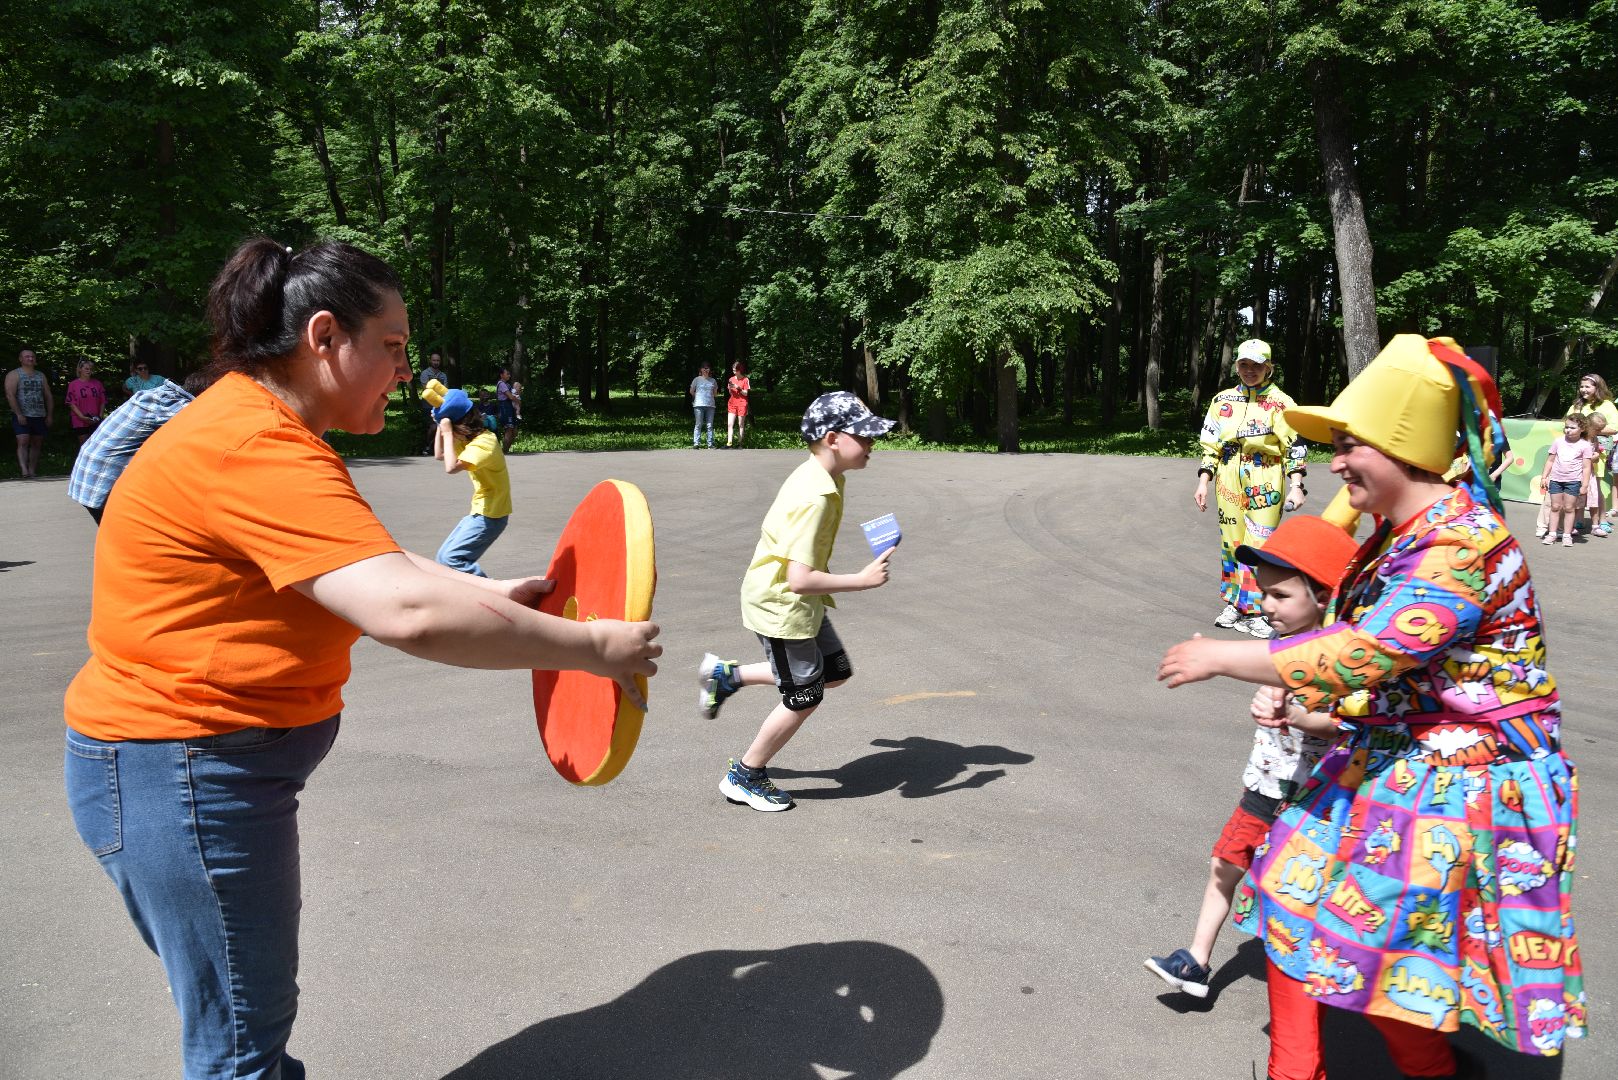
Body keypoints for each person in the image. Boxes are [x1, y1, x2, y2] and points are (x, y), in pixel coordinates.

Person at [62, 236, 660, 1080]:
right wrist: (594, 645)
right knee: (241, 1051)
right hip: (183, 772)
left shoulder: (257, 423)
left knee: (246, 1034)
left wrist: (494, 600)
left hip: (191, 771)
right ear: (322, 338)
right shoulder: (254, 447)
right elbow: (407, 612)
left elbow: (385, 567)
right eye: (392, 344)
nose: (406, 368)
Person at [1159, 336, 1583, 1079]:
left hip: (1463, 777)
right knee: (1290, 894)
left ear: (1402, 446)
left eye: (1351, 444)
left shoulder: (1461, 543)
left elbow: (1372, 651)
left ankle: (1427, 1068)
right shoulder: (1402, 532)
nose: (1334, 460)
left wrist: (1224, 657)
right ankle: (1301, 1070)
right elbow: (1376, 661)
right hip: (1397, 758)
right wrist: (1309, 699)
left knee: (1388, 955)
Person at [1145, 515, 1357, 999]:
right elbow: (1252, 667)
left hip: (1316, 802)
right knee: (1225, 864)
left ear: (1323, 596)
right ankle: (1196, 962)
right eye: (1263, 593)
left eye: (1280, 596)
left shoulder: (1341, 655)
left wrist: (1298, 716)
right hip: (1265, 783)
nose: (1266, 606)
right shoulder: (1277, 645)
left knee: (1307, 894)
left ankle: (1330, 977)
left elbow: (1344, 721)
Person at [697, 390, 894, 811]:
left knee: (834, 672)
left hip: (799, 604)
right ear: (833, 438)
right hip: (782, 607)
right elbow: (799, 579)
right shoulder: (815, 497)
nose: (873, 443)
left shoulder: (826, 477)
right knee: (804, 695)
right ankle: (745, 775)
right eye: (865, 435)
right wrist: (861, 580)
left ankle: (727, 675)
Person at [1193, 339, 1307, 639]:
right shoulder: (1222, 401)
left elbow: (1295, 445)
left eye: (1256, 365)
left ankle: (1257, 610)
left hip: (1266, 475)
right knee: (1231, 541)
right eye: (1244, 364)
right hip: (1229, 474)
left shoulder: (1282, 402)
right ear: (1237, 366)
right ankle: (1234, 602)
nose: (1249, 370)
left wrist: (1296, 485)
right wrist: (1204, 481)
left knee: (1259, 544)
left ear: (1268, 367)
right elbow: (1210, 444)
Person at [67, 370, 216, 524]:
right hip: (103, 477)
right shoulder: (176, 406)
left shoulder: (159, 394)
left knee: (123, 534)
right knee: (134, 535)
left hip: (88, 470)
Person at [433, 387, 512, 577]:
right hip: (480, 510)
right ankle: (476, 596)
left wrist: (447, 432)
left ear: (459, 426)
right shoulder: (468, 439)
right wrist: (439, 425)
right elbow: (439, 455)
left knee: (452, 559)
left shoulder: (485, 443)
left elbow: (450, 467)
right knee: (442, 558)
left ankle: (493, 595)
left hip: (493, 514)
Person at [1538, 413, 1594, 548]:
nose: (1568, 430)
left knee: (1569, 508)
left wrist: (1585, 485)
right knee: (1555, 507)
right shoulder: (1558, 441)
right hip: (1556, 480)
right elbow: (1550, 461)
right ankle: (1552, 533)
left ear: (1582, 429)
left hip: (1573, 481)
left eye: (1572, 428)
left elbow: (1586, 467)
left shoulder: (1585, 445)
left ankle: (1567, 535)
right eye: (1566, 427)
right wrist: (1544, 477)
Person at [6, 347, 53, 477]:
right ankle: (24, 470)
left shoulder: (41, 375)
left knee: (37, 442)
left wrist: (49, 415)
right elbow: (10, 395)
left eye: (32, 356)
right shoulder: (14, 374)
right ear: (20, 359)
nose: (30, 358)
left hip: (39, 414)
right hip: (22, 414)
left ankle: (32, 470)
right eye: (27, 356)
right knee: (23, 440)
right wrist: (19, 414)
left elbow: (48, 395)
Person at [65, 359, 108, 448]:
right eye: (86, 368)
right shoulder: (73, 384)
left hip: (95, 419)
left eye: (91, 369)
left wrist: (100, 416)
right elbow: (71, 403)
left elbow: (103, 401)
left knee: (96, 445)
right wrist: (82, 417)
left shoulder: (97, 384)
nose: (89, 371)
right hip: (79, 419)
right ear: (80, 369)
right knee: (84, 446)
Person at [1581, 412, 1610, 536]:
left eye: (1601, 429)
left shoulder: (1594, 438)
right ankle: (1572, 524)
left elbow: (1596, 455)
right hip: (1577, 473)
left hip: (1590, 473)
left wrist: (1597, 456)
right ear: (1588, 426)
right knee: (1575, 499)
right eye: (1597, 429)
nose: (1599, 432)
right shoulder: (1580, 439)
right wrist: (1591, 458)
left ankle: (1595, 525)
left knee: (1594, 498)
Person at [417, 352, 448, 454]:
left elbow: (445, 391)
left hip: (440, 405)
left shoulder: (443, 375)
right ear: (430, 361)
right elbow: (426, 388)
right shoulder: (425, 373)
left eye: (438, 360)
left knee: (442, 426)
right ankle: (427, 447)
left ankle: (438, 448)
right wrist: (438, 388)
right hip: (428, 405)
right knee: (433, 427)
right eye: (434, 360)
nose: (436, 362)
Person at [689, 362, 717, 448]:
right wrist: (697, 397)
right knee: (698, 424)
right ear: (701, 369)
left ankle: (710, 444)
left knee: (710, 425)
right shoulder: (696, 379)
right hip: (698, 405)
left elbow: (715, 394)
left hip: (710, 406)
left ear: (709, 370)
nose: (705, 369)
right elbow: (691, 391)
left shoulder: (713, 380)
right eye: (704, 368)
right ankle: (696, 443)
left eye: (707, 368)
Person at [725, 360, 751, 447]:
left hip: (742, 404)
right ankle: (729, 443)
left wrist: (738, 387)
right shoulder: (731, 379)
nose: (734, 372)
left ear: (740, 370)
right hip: (732, 403)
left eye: (735, 370)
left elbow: (746, 393)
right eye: (733, 370)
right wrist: (730, 388)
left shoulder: (745, 379)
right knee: (730, 424)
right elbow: (730, 392)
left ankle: (740, 443)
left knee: (740, 424)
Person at [495, 365, 519, 452]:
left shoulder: (507, 384)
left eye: (509, 374)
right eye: (507, 374)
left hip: (510, 408)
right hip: (505, 408)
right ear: (501, 375)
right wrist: (518, 401)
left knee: (514, 431)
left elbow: (514, 395)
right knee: (509, 429)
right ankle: (504, 452)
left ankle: (505, 450)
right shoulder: (501, 384)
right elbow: (511, 397)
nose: (509, 375)